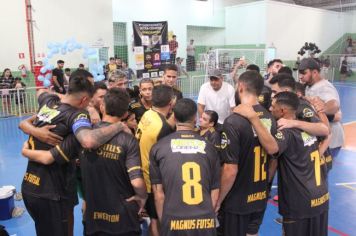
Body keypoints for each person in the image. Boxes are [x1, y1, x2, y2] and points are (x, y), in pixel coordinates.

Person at [21, 88, 147, 236]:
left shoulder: (80, 134)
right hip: (122, 217)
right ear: (126, 113)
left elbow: (48, 157)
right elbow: (137, 182)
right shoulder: (128, 139)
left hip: (93, 216)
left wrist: (26, 151)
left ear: (102, 107)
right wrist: (142, 196)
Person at [216, 70, 278, 236]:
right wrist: (265, 188)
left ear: (240, 87)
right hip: (259, 196)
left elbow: (230, 169)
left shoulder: (234, 121)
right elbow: (274, 159)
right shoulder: (269, 117)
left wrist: (218, 200)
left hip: (237, 201)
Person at [150, 98, 220, 236]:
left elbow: (159, 195)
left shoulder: (158, 147)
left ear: (174, 117)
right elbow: (215, 190)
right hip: (204, 220)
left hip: (173, 219)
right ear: (195, 118)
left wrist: (165, 221)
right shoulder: (210, 148)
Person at [269, 91, 329, 236]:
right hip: (321, 197)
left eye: (273, 106)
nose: (270, 109)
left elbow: (273, 149)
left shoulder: (285, 133)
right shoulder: (308, 127)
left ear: (283, 111)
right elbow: (326, 131)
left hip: (298, 203)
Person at [136, 85, 176, 236]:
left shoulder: (148, 114)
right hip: (151, 179)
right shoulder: (162, 128)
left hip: (141, 169)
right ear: (171, 103)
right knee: (156, 220)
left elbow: (161, 128)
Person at [298, 58, 344, 159]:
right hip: (321, 138)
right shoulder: (309, 86)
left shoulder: (324, 87)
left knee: (321, 172)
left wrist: (321, 109)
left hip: (331, 142)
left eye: (304, 73)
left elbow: (334, 105)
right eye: (299, 73)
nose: (300, 76)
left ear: (314, 72)